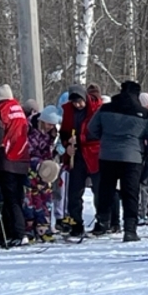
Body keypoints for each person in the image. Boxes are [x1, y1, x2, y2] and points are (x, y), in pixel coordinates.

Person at [87, 80, 148, 241]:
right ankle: (130, 230)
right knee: (130, 193)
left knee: (106, 190)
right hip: (132, 157)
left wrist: (105, 138)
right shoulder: (145, 113)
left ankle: (103, 222)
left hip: (107, 155)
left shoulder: (105, 108)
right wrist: (146, 151)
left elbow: (91, 129)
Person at [0, 84, 32, 246]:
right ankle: (9, 230)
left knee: (11, 199)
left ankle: (19, 233)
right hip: (22, 157)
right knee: (17, 198)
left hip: (7, 160)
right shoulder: (19, 111)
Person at [58, 83, 103, 236]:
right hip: (76, 155)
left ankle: (103, 221)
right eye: (74, 102)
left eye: (79, 101)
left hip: (93, 154)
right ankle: (76, 222)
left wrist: (80, 138)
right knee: (74, 192)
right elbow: (64, 132)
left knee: (99, 190)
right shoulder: (68, 111)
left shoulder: (96, 108)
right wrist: (67, 145)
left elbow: (98, 132)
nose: (77, 105)